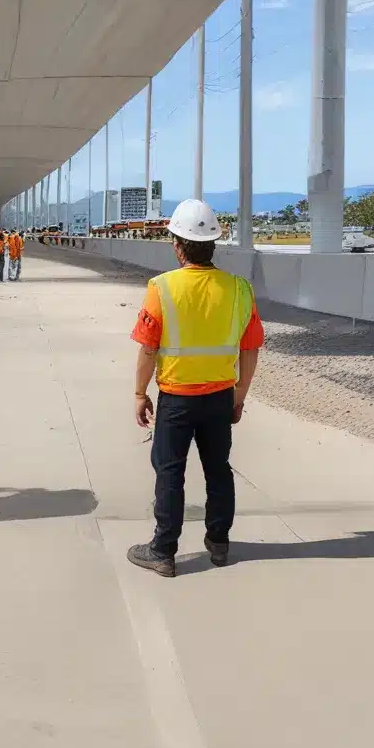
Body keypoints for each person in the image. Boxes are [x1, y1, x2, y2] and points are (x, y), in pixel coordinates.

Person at [126, 198, 264, 577]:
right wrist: (239, 397)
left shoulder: (162, 287)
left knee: (170, 471)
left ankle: (163, 550)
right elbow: (250, 349)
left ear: (177, 244)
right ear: (213, 244)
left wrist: (140, 393)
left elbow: (148, 348)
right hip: (219, 397)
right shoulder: (239, 289)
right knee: (218, 469)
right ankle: (219, 542)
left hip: (177, 400)